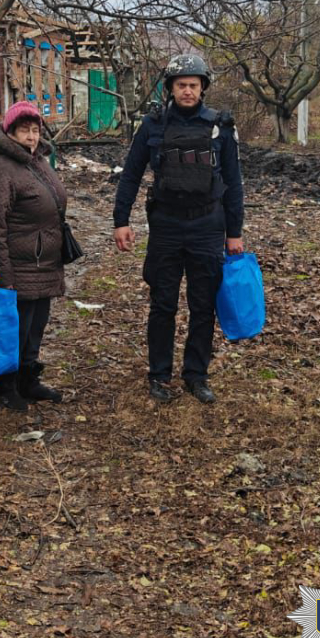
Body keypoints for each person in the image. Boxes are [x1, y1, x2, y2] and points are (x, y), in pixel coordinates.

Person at [112, 54, 244, 404]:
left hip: (207, 227)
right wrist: (120, 221)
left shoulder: (221, 126)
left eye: (194, 85)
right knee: (163, 304)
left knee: (203, 306)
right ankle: (159, 375)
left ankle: (196, 376)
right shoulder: (153, 125)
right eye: (181, 85)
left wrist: (235, 232)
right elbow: (131, 173)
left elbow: (234, 182)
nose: (188, 91)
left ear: (203, 89)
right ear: (170, 88)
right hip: (166, 228)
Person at [0, 101, 67, 411]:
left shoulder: (37, 161)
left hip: (43, 261)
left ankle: (28, 380)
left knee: (36, 326)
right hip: (17, 265)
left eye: (35, 130)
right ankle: (5, 387)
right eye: (24, 130)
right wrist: (3, 276)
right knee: (15, 329)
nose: (31, 136)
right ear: (10, 132)